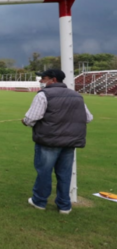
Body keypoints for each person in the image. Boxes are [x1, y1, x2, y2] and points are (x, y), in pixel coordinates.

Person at [21, 69, 92, 214]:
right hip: (69, 142)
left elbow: (31, 118)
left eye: (44, 78)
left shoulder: (44, 95)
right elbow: (88, 118)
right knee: (64, 173)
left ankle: (39, 201)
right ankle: (64, 205)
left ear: (53, 80)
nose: (41, 80)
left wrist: (25, 121)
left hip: (49, 141)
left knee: (44, 172)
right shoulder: (76, 96)